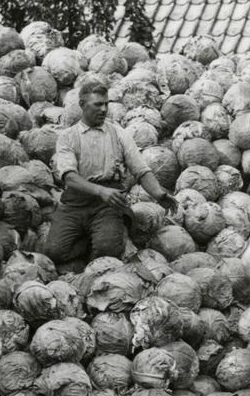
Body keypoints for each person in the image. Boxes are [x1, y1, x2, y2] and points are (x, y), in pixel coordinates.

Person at [46, 76, 173, 269]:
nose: (104, 109)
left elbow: (141, 170)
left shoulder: (118, 133)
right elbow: (69, 177)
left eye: (106, 104)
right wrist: (100, 191)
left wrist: (160, 194)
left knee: (108, 249)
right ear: (82, 104)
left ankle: (103, 239)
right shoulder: (68, 137)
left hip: (108, 205)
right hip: (75, 203)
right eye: (97, 104)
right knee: (54, 252)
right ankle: (89, 241)